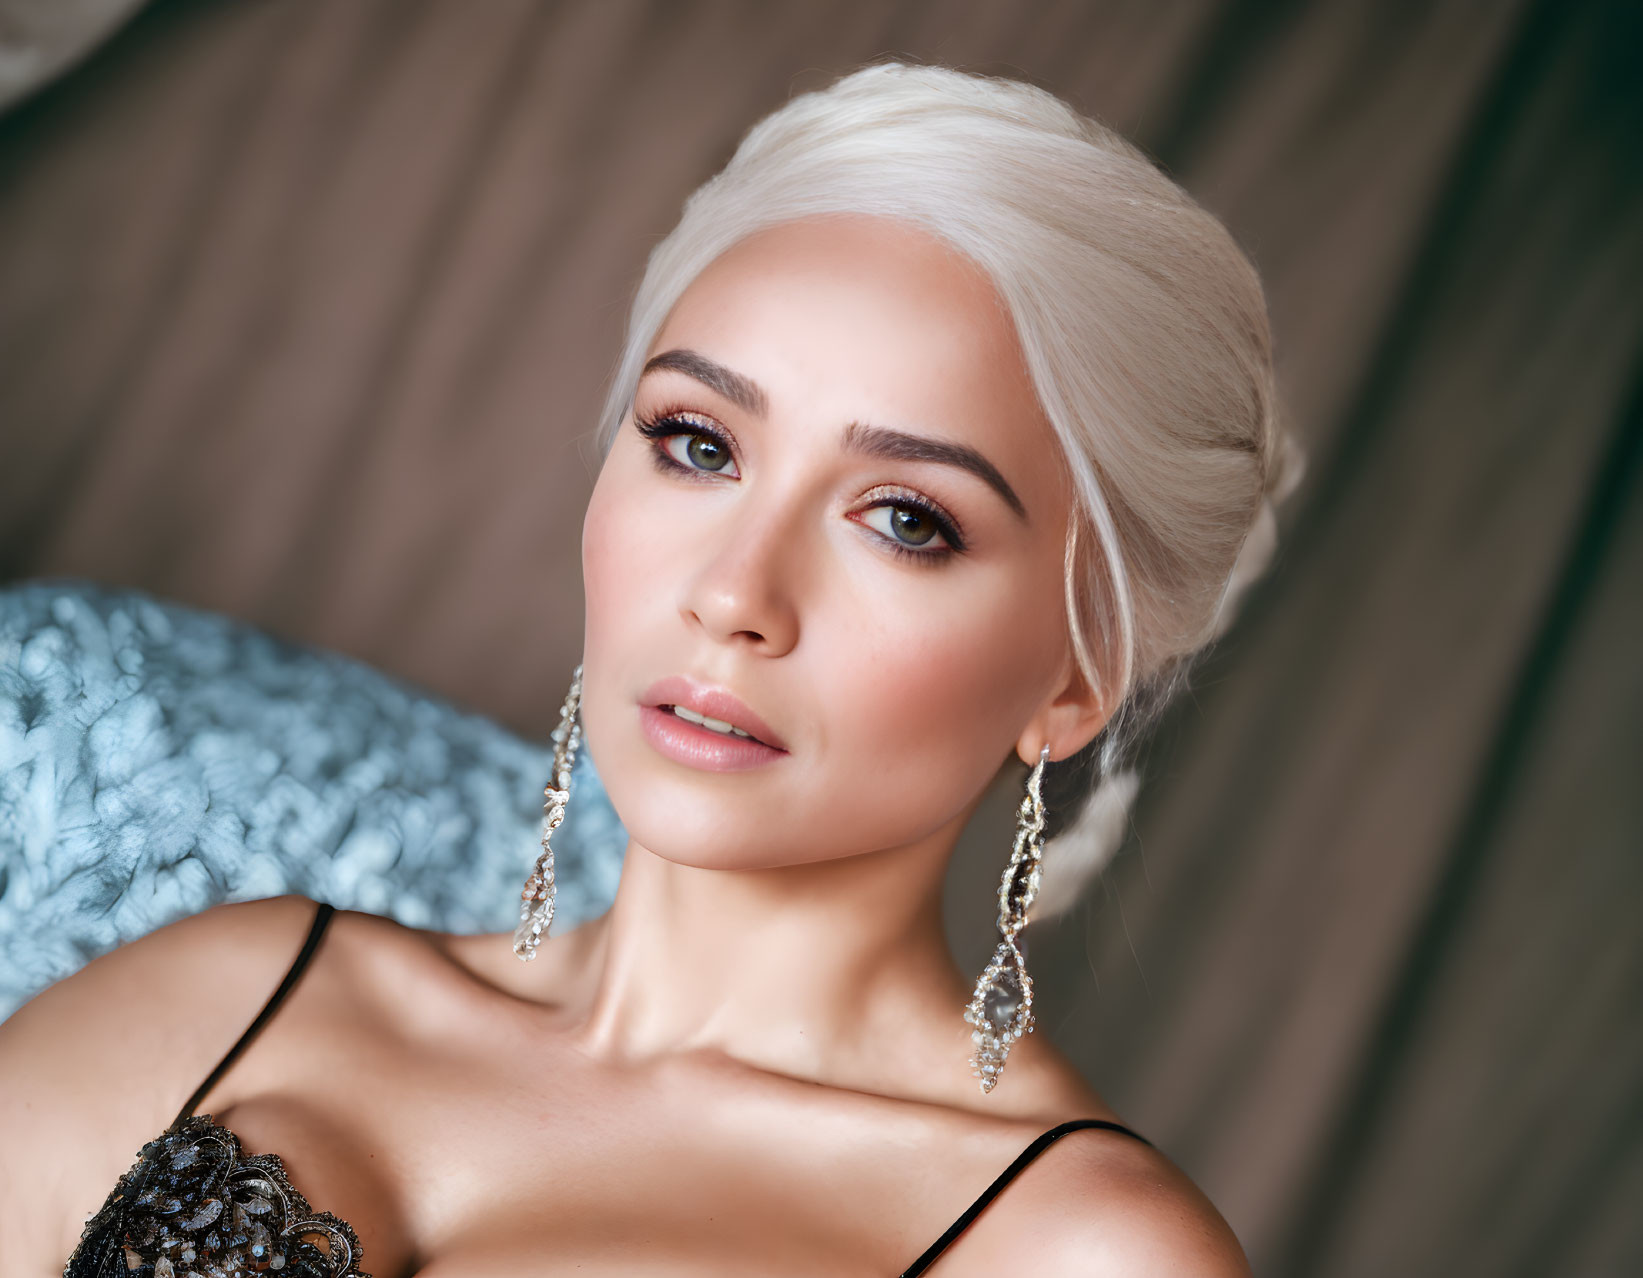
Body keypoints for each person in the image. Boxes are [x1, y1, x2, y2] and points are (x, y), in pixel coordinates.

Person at [0, 61, 1300, 1275]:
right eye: (698, 444)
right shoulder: (237, 986)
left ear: (1075, 677)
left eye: (907, 518)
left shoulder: (1077, 1249)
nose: (735, 593)